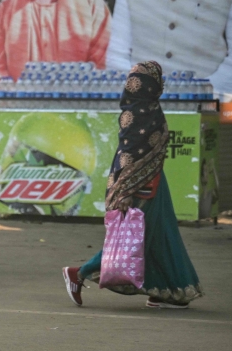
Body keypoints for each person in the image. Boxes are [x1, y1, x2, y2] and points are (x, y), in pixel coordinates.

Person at [63, 62, 202, 309]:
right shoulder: (138, 113)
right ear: (152, 85)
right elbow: (128, 154)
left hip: (154, 179)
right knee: (139, 237)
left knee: (161, 235)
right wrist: (125, 191)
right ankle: (79, 272)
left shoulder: (146, 108)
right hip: (139, 184)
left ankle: (163, 291)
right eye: (157, 80)